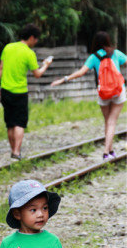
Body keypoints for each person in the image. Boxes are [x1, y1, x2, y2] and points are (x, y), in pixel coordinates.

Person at [51, 31, 126, 161]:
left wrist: (63, 79)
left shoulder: (94, 57)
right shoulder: (116, 53)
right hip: (118, 91)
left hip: (103, 92)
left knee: (107, 122)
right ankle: (106, 152)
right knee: (112, 122)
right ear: (108, 41)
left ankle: (110, 150)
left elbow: (81, 72)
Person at [0, 24, 53, 160]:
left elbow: (0, 68)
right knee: (19, 123)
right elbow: (37, 74)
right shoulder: (29, 53)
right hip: (20, 92)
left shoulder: (8, 47)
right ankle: (16, 152)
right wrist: (46, 65)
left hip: (5, 91)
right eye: (36, 39)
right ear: (31, 37)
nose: (36, 42)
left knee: (10, 123)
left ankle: (12, 150)